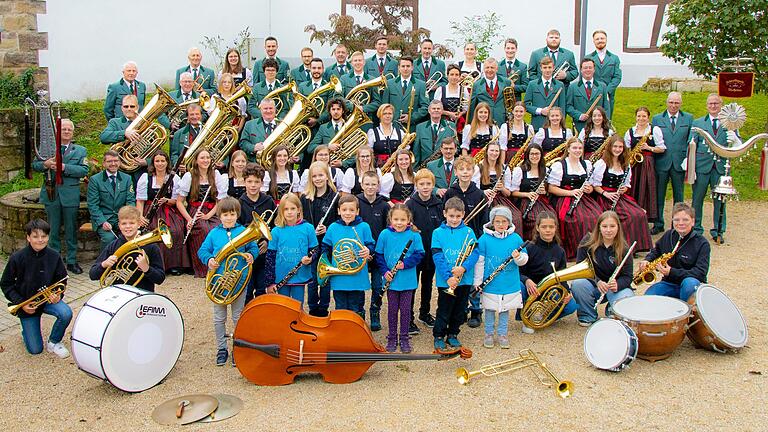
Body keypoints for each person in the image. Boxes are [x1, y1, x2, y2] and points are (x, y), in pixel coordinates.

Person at [198, 197, 259, 367]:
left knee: (238, 316)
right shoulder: (214, 233)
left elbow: (253, 248)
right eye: (225, 214)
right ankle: (221, 348)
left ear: (237, 214)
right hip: (218, 284)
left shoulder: (243, 231)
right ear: (219, 215)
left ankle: (237, 348)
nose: (229, 217)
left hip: (238, 282)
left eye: (232, 214)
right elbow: (202, 250)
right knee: (219, 318)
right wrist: (209, 259)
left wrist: (251, 255)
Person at [1, 219, 71, 358]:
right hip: (27, 304)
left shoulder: (54, 256)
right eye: (35, 236)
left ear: (48, 237)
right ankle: (26, 331)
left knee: (66, 313)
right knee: (35, 350)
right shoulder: (17, 258)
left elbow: (62, 281)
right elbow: (6, 284)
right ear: (28, 237)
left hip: (46, 301)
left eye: (44, 236)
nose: (40, 240)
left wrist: (58, 296)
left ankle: (54, 341)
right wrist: (22, 303)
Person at [31, 118, 88, 274]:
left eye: (69, 129)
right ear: (57, 131)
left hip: (70, 195)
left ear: (73, 132)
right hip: (51, 193)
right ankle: (53, 261)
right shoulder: (47, 148)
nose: (67, 131)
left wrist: (64, 167)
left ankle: (71, 261)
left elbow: (83, 171)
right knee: (52, 229)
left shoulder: (80, 150)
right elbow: (34, 165)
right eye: (64, 129)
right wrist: (45, 164)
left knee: (71, 230)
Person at [473, 206, 528, 348]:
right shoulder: (484, 239)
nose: (501, 225)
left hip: (508, 282)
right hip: (491, 283)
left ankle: (502, 334)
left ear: (509, 222)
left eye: (504, 221)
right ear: (492, 222)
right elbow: (479, 262)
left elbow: (524, 259)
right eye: (497, 221)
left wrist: (518, 257)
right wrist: (478, 282)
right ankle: (489, 333)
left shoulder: (515, 238)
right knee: (489, 308)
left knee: (505, 309)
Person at [688, 93, 738, 242]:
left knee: (720, 200)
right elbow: (691, 145)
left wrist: (735, 140)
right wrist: (690, 166)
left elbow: (737, 144)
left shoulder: (729, 123)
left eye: (716, 103)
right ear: (706, 105)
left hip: (721, 168)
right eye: (710, 104)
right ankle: (695, 229)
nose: (713, 106)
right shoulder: (698, 123)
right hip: (702, 167)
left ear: (721, 105)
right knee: (697, 199)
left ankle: (718, 230)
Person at [517, 211, 578, 333]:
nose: (548, 230)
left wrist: (567, 292)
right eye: (544, 227)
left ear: (555, 228)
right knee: (519, 286)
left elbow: (562, 276)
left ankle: (540, 317)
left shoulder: (560, 251)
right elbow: (518, 272)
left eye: (551, 227)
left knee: (571, 305)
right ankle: (526, 317)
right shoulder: (529, 248)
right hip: (532, 289)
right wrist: (527, 280)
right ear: (537, 228)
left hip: (549, 292)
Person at [431, 197, 480, 350]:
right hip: (446, 281)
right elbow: (437, 256)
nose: (454, 219)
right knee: (444, 308)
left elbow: (475, 253)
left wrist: (463, 268)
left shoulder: (469, 231)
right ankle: (439, 335)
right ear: (445, 214)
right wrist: (449, 277)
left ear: (463, 214)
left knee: (460, 310)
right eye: (451, 216)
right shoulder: (437, 232)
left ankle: (453, 334)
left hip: (464, 279)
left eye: (458, 216)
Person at [375, 204, 425, 352]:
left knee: (405, 310)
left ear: (409, 219)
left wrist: (406, 264)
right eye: (396, 219)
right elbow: (379, 255)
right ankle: (391, 337)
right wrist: (385, 272)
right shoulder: (384, 234)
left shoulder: (414, 235)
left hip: (407, 281)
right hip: (390, 280)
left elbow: (419, 254)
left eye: (402, 219)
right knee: (391, 310)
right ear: (390, 219)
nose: (399, 222)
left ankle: (404, 337)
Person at [571, 211, 635, 326]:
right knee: (578, 284)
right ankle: (587, 315)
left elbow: (628, 276)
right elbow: (579, 270)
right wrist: (598, 281)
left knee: (627, 296)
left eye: (612, 226)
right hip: (593, 286)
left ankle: (611, 308)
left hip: (614, 289)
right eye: (605, 226)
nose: (608, 230)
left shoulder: (624, 248)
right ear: (599, 227)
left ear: (618, 228)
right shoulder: (587, 243)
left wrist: (618, 284)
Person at [591, 135, 652, 251]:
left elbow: (627, 183)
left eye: (620, 147)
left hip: (619, 196)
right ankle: (623, 247)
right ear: (610, 147)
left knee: (639, 214)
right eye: (615, 146)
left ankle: (637, 247)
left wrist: (624, 188)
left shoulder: (625, 164)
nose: (617, 149)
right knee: (628, 216)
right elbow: (595, 184)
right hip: (605, 197)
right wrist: (605, 193)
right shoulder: (602, 163)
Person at [175, 149, 229, 277]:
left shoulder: (215, 174)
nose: (205, 160)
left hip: (213, 211)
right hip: (195, 211)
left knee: (218, 229)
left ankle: (220, 265)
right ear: (196, 161)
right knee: (204, 229)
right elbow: (179, 202)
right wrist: (189, 219)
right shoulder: (189, 176)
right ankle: (204, 268)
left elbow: (220, 201)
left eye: (208, 158)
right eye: (202, 158)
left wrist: (209, 215)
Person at [547, 137, 602, 260]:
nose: (578, 150)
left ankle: (593, 249)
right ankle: (577, 252)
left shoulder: (586, 164)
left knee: (596, 216)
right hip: (565, 198)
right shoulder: (559, 165)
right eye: (575, 148)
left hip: (583, 199)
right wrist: (571, 192)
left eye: (580, 148)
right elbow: (551, 188)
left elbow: (592, 186)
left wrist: (590, 189)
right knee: (576, 219)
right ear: (568, 149)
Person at [136, 150, 189, 276]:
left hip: (168, 210)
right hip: (150, 210)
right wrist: (140, 217)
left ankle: (174, 265)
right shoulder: (146, 178)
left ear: (167, 162)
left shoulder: (174, 178)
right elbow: (140, 201)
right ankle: (155, 264)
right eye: (157, 161)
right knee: (152, 231)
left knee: (177, 230)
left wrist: (167, 200)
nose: (160, 164)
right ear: (153, 163)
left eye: (162, 161)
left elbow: (177, 200)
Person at [642, 203, 710, 301]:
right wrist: (647, 260)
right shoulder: (668, 235)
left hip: (691, 283)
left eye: (685, 220)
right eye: (676, 220)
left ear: (693, 222)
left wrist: (672, 272)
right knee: (648, 297)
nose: (681, 223)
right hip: (669, 283)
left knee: (689, 285)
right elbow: (656, 250)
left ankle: (687, 313)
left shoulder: (702, 243)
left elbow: (700, 273)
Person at [321, 195, 375, 317]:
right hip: (339, 275)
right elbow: (325, 247)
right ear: (339, 211)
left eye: (352, 210)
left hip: (357, 276)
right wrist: (327, 263)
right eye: (344, 210)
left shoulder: (364, 226)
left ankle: (357, 332)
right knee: (340, 307)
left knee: (356, 307)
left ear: (357, 211)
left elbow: (371, 245)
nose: (348, 213)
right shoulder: (333, 227)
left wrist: (368, 250)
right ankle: (343, 332)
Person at [90, 205, 165, 291]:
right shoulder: (113, 246)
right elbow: (92, 275)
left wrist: (146, 268)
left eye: (132, 223)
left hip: (143, 294)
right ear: (119, 225)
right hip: (119, 294)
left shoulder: (151, 247)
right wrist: (104, 264)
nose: (128, 226)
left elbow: (160, 279)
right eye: (124, 223)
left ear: (139, 224)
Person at [406, 169, 444, 329]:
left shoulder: (438, 203)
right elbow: (406, 225)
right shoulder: (410, 204)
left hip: (431, 252)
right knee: (412, 285)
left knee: (428, 284)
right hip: (415, 253)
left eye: (428, 184)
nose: (425, 187)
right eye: (422, 184)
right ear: (416, 185)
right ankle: (409, 318)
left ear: (433, 185)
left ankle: (424, 312)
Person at [265, 192, 318, 303]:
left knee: (297, 307)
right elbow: (270, 258)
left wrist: (310, 259)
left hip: (300, 276)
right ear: (281, 211)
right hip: (281, 278)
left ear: (298, 210)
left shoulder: (308, 228)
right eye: (286, 209)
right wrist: (270, 283)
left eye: (292, 208)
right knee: (283, 308)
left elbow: (315, 249)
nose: (289, 212)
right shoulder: (275, 231)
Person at [651, 92, 692, 234]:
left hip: (679, 163)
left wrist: (687, 159)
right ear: (667, 102)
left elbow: (690, 140)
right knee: (659, 194)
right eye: (671, 102)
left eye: (677, 103)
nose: (674, 105)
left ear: (681, 103)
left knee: (679, 195)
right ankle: (658, 222)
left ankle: (678, 223)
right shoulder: (657, 119)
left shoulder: (688, 118)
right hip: (662, 162)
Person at [301, 161, 339, 317]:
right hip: (312, 243)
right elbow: (302, 220)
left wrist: (328, 228)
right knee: (312, 278)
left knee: (325, 277)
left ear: (327, 176)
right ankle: (312, 307)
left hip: (326, 243)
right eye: (314, 176)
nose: (318, 179)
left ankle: (323, 308)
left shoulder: (334, 197)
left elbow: (338, 220)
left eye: (321, 175)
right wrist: (311, 231)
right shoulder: (305, 197)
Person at [356, 171, 390, 331]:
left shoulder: (383, 205)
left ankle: (375, 312)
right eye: (367, 184)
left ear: (378, 186)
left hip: (377, 254)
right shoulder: (356, 202)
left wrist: (378, 252)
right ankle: (359, 314)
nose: (370, 187)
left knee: (378, 286)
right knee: (360, 285)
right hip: (360, 253)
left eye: (373, 184)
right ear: (362, 185)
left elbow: (386, 231)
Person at [237, 163, 275, 304]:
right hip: (247, 252)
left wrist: (267, 241)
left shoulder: (268, 201)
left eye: (256, 182)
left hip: (263, 251)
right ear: (244, 182)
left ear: (262, 183)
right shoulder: (239, 203)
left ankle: (259, 316)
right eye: (249, 182)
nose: (253, 185)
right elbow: (237, 228)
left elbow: (273, 226)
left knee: (261, 288)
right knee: (247, 288)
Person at [87, 150, 136, 251]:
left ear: (120, 162)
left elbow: (130, 201)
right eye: (109, 161)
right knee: (109, 238)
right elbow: (93, 205)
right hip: (104, 219)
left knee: (131, 237)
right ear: (104, 163)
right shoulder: (95, 180)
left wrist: (127, 220)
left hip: (122, 218)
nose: (113, 164)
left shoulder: (127, 178)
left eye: (116, 161)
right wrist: (102, 222)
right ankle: (104, 264)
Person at [624, 106, 666, 222]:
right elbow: (626, 149)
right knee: (633, 189)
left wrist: (649, 147)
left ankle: (647, 218)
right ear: (635, 117)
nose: (641, 118)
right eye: (639, 116)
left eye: (644, 116)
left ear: (648, 117)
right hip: (634, 165)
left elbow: (662, 148)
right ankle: (632, 216)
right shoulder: (630, 131)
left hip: (647, 164)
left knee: (646, 189)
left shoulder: (654, 130)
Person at [473, 142, 521, 236]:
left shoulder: (504, 168)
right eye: (492, 150)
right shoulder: (478, 167)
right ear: (486, 152)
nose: (494, 153)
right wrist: (483, 192)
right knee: (487, 218)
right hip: (484, 200)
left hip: (501, 200)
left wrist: (502, 188)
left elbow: (508, 193)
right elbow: (475, 189)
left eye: (496, 151)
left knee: (516, 217)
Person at [509, 143, 556, 240]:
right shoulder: (520, 170)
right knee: (534, 219)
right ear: (527, 156)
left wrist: (545, 191)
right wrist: (527, 194)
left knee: (552, 217)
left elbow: (549, 190)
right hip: (525, 202)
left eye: (537, 154)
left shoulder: (546, 170)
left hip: (542, 201)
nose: (534, 156)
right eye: (532, 154)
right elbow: (513, 192)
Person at [444, 155, 489, 250]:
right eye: (461, 169)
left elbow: (484, 220)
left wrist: (479, 237)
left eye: (468, 169)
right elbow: (443, 216)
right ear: (455, 172)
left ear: (473, 172)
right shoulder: (450, 193)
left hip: (472, 240)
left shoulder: (480, 194)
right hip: (452, 238)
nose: (465, 172)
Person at [381, 57, 429, 132]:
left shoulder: (421, 85)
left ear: (412, 67)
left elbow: (425, 107)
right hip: (392, 126)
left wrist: (411, 117)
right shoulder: (389, 83)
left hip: (411, 127)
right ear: (399, 68)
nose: (405, 69)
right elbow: (384, 106)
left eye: (408, 66)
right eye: (403, 66)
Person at [585, 30, 622, 118]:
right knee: (592, 119)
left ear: (606, 40)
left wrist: (606, 90)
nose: (600, 40)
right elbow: (586, 76)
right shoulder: (588, 58)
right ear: (593, 41)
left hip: (608, 94)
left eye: (602, 38)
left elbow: (617, 77)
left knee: (606, 119)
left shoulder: (614, 58)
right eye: (597, 39)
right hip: (592, 94)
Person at [340, 50, 381, 129]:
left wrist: (363, 108)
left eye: (360, 60)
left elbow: (377, 102)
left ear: (364, 62)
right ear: (351, 63)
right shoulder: (344, 79)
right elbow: (339, 97)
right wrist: (352, 106)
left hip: (366, 118)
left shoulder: (372, 79)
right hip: (348, 118)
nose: (357, 63)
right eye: (355, 61)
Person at [525, 57, 567, 131]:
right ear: (541, 68)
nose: (547, 70)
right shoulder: (532, 84)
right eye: (545, 68)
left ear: (553, 68)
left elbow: (562, 108)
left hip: (554, 126)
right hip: (537, 125)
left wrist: (561, 125)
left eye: (549, 67)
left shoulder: (560, 85)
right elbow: (526, 105)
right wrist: (540, 111)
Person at [300, 58, 343, 128]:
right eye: (314, 68)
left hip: (322, 126)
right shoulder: (302, 86)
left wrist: (317, 120)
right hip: (304, 125)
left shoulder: (330, 87)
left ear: (323, 69)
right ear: (310, 69)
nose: (316, 70)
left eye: (319, 68)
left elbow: (330, 108)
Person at [566, 58, 607, 132]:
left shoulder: (602, 87)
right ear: (581, 70)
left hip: (598, 127)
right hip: (580, 126)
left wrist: (605, 123)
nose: (588, 70)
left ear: (594, 69)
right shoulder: (573, 87)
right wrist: (579, 115)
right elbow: (568, 106)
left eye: (590, 67)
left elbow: (606, 108)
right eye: (585, 68)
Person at [468, 58, 511, 127]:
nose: (489, 70)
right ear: (483, 69)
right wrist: (471, 124)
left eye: (492, 68)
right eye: (487, 67)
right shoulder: (476, 84)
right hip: (483, 121)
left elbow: (510, 104)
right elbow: (472, 106)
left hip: (501, 120)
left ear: (497, 69)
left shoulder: (506, 82)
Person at [414, 100, 456, 168]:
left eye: (438, 108)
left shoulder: (451, 126)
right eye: (433, 108)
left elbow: (456, 148)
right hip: (424, 167)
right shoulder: (420, 127)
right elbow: (416, 151)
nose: (436, 110)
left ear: (442, 111)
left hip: (443, 166)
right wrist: (415, 169)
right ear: (429, 111)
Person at [239, 98, 278, 163]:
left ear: (275, 110)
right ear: (260, 110)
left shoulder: (283, 124)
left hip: (278, 164)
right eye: (265, 108)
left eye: (271, 108)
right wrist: (253, 147)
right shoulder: (250, 124)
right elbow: (243, 143)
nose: (268, 111)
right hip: (255, 165)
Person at [170, 103, 204, 169]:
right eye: (191, 114)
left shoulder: (210, 131)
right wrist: (177, 164)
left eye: (197, 114)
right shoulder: (178, 134)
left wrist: (223, 162)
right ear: (187, 117)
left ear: (201, 115)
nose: (195, 117)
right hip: (186, 170)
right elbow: (174, 154)